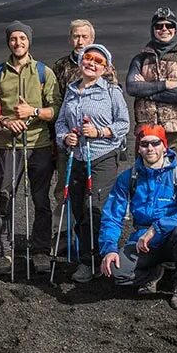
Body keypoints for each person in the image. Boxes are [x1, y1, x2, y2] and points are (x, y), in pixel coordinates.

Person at [0, 20, 61, 276]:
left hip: (39, 144)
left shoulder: (43, 73)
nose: (18, 43)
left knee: (40, 199)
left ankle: (40, 250)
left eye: (22, 38)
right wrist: (6, 121)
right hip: (9, 145)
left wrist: (33, 111)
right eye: (14, 39)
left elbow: (56, 109)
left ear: (29, 41)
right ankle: (4, 251)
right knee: (5, 198)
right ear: (8, 42)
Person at [99, 125, 177, 310]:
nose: (150, 148)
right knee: (115, 271)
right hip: (144, 243)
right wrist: (109, 248)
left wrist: (157, 228)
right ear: (139, 148)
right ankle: (153, 273)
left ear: (165, 146)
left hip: (172, 238)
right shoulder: (128, 178)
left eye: (156, 143)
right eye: (144, 144)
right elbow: (113, 215)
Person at [54, 43, 130, 282]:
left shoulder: (111, 91)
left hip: (102, 157)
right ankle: (86, 253)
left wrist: (99, 131)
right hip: (76, 157)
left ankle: (95, 259)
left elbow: (124, 123)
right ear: (81, 61)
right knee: (77, 208)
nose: (92, 63)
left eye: (98, 61)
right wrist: (66, 137)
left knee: (94, 209)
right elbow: (60, 123)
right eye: (88, 58)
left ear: (105, 67)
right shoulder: (71, 90)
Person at [126, 7, 177, 175]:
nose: (164, 29)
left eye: (169, 25)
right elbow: (132, 87)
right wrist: (166, 84)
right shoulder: (140, 59)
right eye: (159, 26)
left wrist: (147, 90)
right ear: (153, 30)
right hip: (148, 131)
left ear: (176, 29)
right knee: (145, 176)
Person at [51, 19, 118, 203]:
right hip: (69, 139)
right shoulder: (60, 66)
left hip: (97, 144)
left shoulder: (105, 67)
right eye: (76, 36)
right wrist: (62, 136)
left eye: (84, 37)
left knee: (95, 193)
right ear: (70, 39)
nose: (80, 41)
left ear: (92, 38)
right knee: (64, 188)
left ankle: (91, 229)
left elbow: (114, 104)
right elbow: (56, 102)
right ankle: (65, 230)